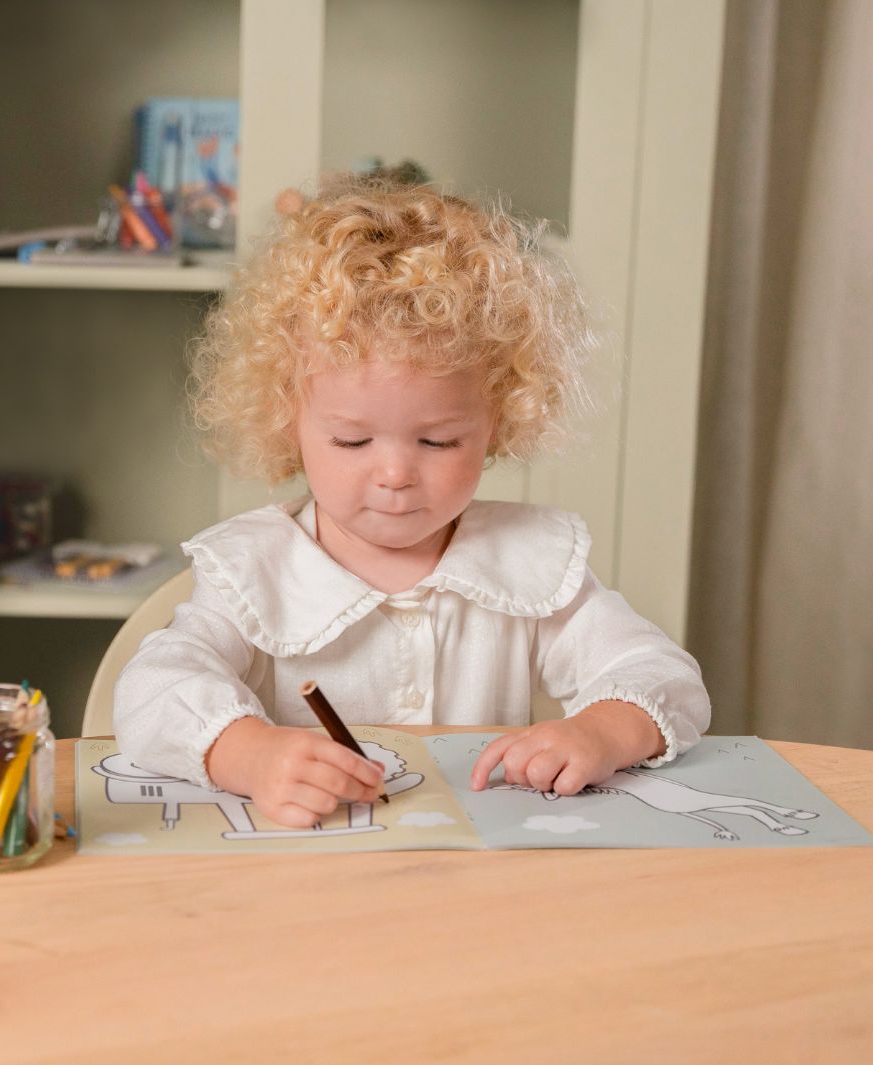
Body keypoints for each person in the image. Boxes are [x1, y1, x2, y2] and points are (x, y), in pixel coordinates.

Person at [114, 178, 710, 829]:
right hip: (307, 878)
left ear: (499, 422)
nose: (395, 473)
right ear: (287, 420)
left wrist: (602, 733)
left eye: (438, 439)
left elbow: (660, 675)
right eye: (352, 439)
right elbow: (153, 691)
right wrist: (249, 755)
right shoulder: (254, 569)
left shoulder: (527, 563)